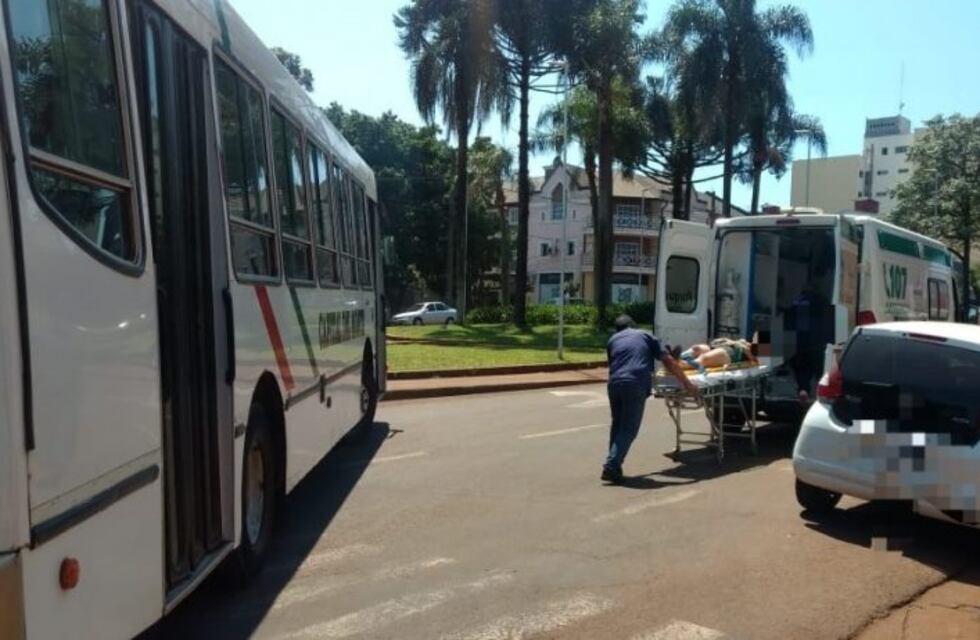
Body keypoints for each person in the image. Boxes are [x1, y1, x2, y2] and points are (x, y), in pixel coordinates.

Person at [603, 315, 699, 484]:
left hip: (614, 383)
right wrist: (687, 383)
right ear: (633, 325)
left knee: (617, 425)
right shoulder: (645, 335)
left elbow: (613, 364)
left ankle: (614, 465)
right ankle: (612, 464)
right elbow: (668, 361)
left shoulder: (612, 340)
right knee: (629, 428)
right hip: (635, 383)